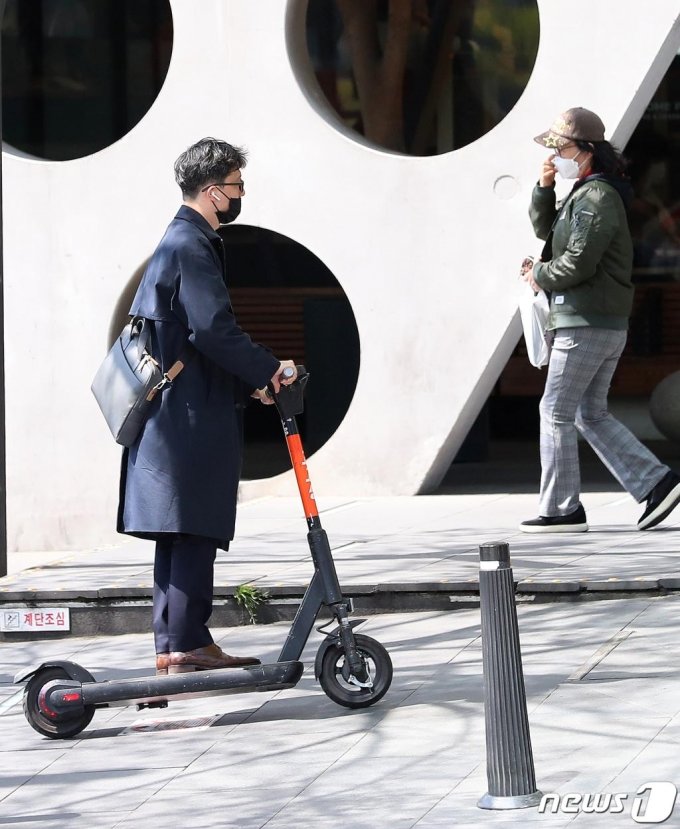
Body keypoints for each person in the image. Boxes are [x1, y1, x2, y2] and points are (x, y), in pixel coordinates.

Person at [117, 137, 297, 672]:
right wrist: (269, 369)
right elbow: (213, 330)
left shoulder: (179, 243)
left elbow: (193, 339)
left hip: (180, 410)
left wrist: (251, 383)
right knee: (190, 525)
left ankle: (180, 642)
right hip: (188, 417)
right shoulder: (189, 246)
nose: (243, 195)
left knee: (182, 529)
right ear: (215, 192)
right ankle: (184, 644)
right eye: (239, 186)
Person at [519, 107, 680, 534]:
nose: (555, 155)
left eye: (561, 148)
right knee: (589, 413)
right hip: (596, 320)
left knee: (554, 410)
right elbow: (549, 234)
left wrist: (538, 274)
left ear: (586, 150)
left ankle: (561, 509)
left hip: (586, 321)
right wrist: (543, 188)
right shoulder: (587, 191)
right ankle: (656, 483)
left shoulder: (597, 197)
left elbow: (577, 263)